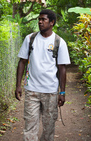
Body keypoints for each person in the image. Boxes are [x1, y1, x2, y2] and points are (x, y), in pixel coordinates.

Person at [15, 9, 71, 141]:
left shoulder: (59, 42)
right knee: (30, 125)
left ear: (52, 22)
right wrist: (18, 85)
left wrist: (62, 92)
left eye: (43, 19)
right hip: (31, 90)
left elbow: (62, 68)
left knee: (49, 127)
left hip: (50, 91)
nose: (40, 22)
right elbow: (22, 62)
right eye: (39, 19)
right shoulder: (30, 39)